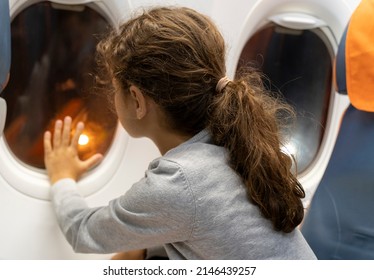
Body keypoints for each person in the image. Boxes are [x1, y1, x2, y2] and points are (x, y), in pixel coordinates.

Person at [43, 6, 317, 260]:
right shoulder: (233, 145)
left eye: (116, 88)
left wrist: (62, 178)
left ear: (137, 101)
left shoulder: (177, 182)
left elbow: (82, 232)